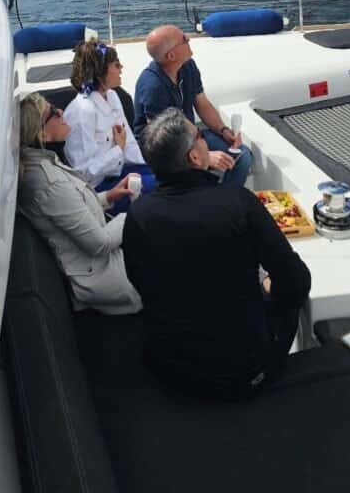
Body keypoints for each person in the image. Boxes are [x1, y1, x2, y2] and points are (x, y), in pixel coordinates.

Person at [123, 108, 311, 397]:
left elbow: (138, 281)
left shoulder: (137, 215)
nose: (204, 139)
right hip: (244, 372)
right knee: (289, 294)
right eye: (199, 135)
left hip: (170, 372)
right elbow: (296, 280)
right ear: (195, 158)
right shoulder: (237, 203)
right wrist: (267, 288)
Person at [17, 92, 141, 315]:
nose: (61, 112)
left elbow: (74, 209)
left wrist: (108, 196)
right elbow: (99, 243)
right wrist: (136, 213)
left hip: (110, 261)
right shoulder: (48, 183)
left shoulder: (45, 166)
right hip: (108, 277)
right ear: (41, 132)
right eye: (53, 112)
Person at [133, 24, 253, 187]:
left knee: (243, 156)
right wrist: (206, 157)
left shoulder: (187, 66)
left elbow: (202, 103)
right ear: (172, 55)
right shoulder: (152, 87)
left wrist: (223, 130)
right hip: (165, 151)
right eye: (183, 39)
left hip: (189, 137)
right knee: (197, 171)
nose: (188, 39)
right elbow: (164, 143)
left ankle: (224, 202)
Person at [64, 39, 156, 203]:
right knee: (164, 189)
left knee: (173, 175)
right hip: (100, 189)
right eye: (116, 65)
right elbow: (85, 175)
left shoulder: (112, 96)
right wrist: (118, 149)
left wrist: (155, 163)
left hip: (122, 170)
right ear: (100, 74)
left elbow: (129, 144)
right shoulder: (82, 111)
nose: (121, 69)